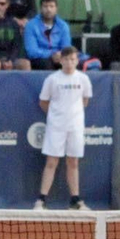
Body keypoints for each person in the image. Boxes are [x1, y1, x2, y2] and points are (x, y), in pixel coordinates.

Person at [34, 47, 93, 209]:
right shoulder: (52, 79)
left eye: (73, 59)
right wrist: (57, 116)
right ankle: (41, 200)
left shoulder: (83, 79)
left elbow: (85, 101)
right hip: (56, 126)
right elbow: (43, 102)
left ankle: (75, 200)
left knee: (73, 162)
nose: (69, 63)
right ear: (61, 61)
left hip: (75, 127)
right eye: (66, 59)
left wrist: (72, 116)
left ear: (77, 61)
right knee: (51, 161)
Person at [23, 0, 72, 70]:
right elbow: (32, 51)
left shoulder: (63, 26)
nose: (48, 9)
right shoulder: (31, 25)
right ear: (40, 9)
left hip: (59, 57)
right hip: (39, 59)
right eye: (45, 6)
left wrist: (60, 55)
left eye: (51, 6)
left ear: (56, 9)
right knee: (46, 64)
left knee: (70, 63)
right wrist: (51, 54)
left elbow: (66, 48)